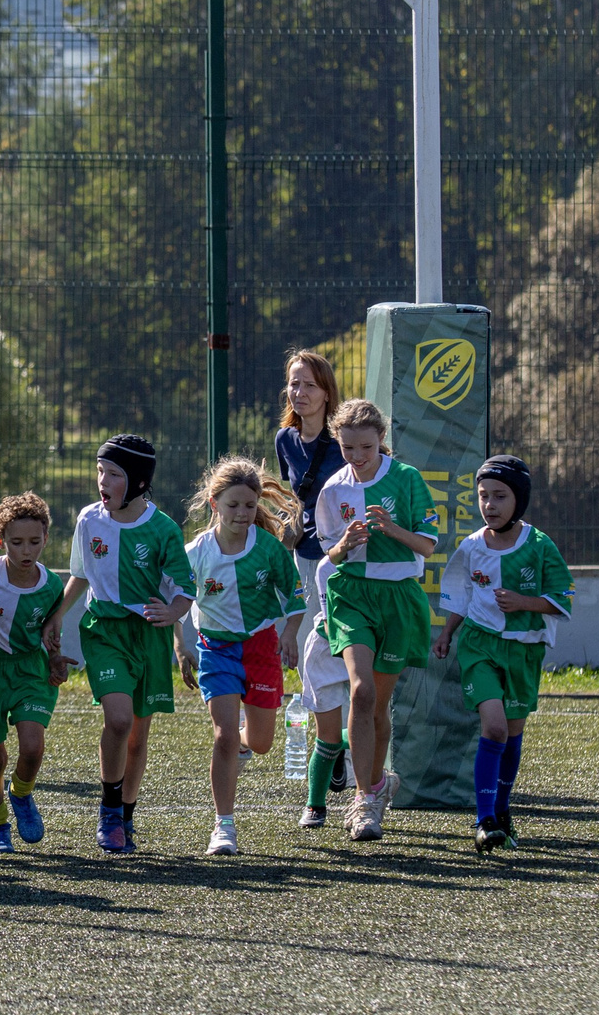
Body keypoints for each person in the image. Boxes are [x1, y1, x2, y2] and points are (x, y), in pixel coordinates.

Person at [48, 435, 193, 854]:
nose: (102, 481)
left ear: (139, 482)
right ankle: (109, 810)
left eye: (113, 474)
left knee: (137, 735)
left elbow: (185, 586)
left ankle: (126, 816)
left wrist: (174, 612)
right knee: (118, 720)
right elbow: (80, 573)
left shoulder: (163, 528)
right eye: (100, 471)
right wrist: (58, 614)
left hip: (148, 635)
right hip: (105, 630)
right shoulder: (89, 520)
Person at [315, 398, 441, 842]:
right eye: (348, 448)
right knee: (361, 691)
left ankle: (377, 784)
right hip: (352, 594)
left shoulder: (406, 479)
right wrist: (344, 543)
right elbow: (328, 554)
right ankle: (365, 800)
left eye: (365, 447)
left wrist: (393, 529)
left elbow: (427, 546)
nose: (357, 457)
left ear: (381, 440)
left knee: (377, 706)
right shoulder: (333, 490)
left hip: (398, 597)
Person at [434, 455, 572, 853]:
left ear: (520, 500)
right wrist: (447, 634)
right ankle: (485, 820)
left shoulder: (540, 546)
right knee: (493, 727)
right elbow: (461, 595)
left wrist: (526, 602)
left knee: (512, 735)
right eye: (483, 496)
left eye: (500, 496)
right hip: (479, 644)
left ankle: (502, 807)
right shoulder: (471, 547)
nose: (489, 505)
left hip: (523, 651)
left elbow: (563, 597)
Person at [176, 458, 307, 856]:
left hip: (261, 646)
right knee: (224, 734)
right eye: (233, 505)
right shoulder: (196, 552)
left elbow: (296, 597)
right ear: (214, 504)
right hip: (216, 648)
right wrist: (181, 646)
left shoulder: (267, 549)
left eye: (249, 505)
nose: (242, 513)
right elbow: (176, 601)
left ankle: (245, 746)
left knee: (262, 742)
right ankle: (224, 827)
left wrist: (289, 633)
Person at [0, 494, 72, 861]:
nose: (27, 550)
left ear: (46, 539)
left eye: (34, 542)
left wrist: (55, 659)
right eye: (17, 542)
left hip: (28, 670)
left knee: (33, 747)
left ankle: (21, 794)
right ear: (1, 541)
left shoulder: (52, 586)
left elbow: (51, 631)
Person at [274, 348, 354, 827]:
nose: (298, 393)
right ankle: (332, 747)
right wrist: (288, 524)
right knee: (315, 657)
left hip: (346, 564)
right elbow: (292, 500)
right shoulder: (286, 439)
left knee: (348, 656)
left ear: (327, 392)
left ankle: (346, 747)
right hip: (308, 562)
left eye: (307, 384)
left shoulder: (342, 440)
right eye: (292, 384)